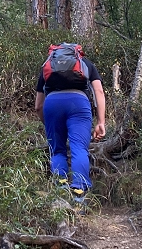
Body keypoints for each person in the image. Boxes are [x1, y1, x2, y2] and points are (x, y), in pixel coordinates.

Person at [34, 44, 106, 197]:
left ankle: (60, 189)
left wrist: (48, 123)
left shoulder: (47, 66)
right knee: (79, 149)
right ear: (76, 53)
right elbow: (99, 91)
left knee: (57, 150)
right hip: (78, 104)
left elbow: (38, 106)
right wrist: (101, 122)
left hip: (52, 104)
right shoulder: (85, 63)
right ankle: (79, 192)